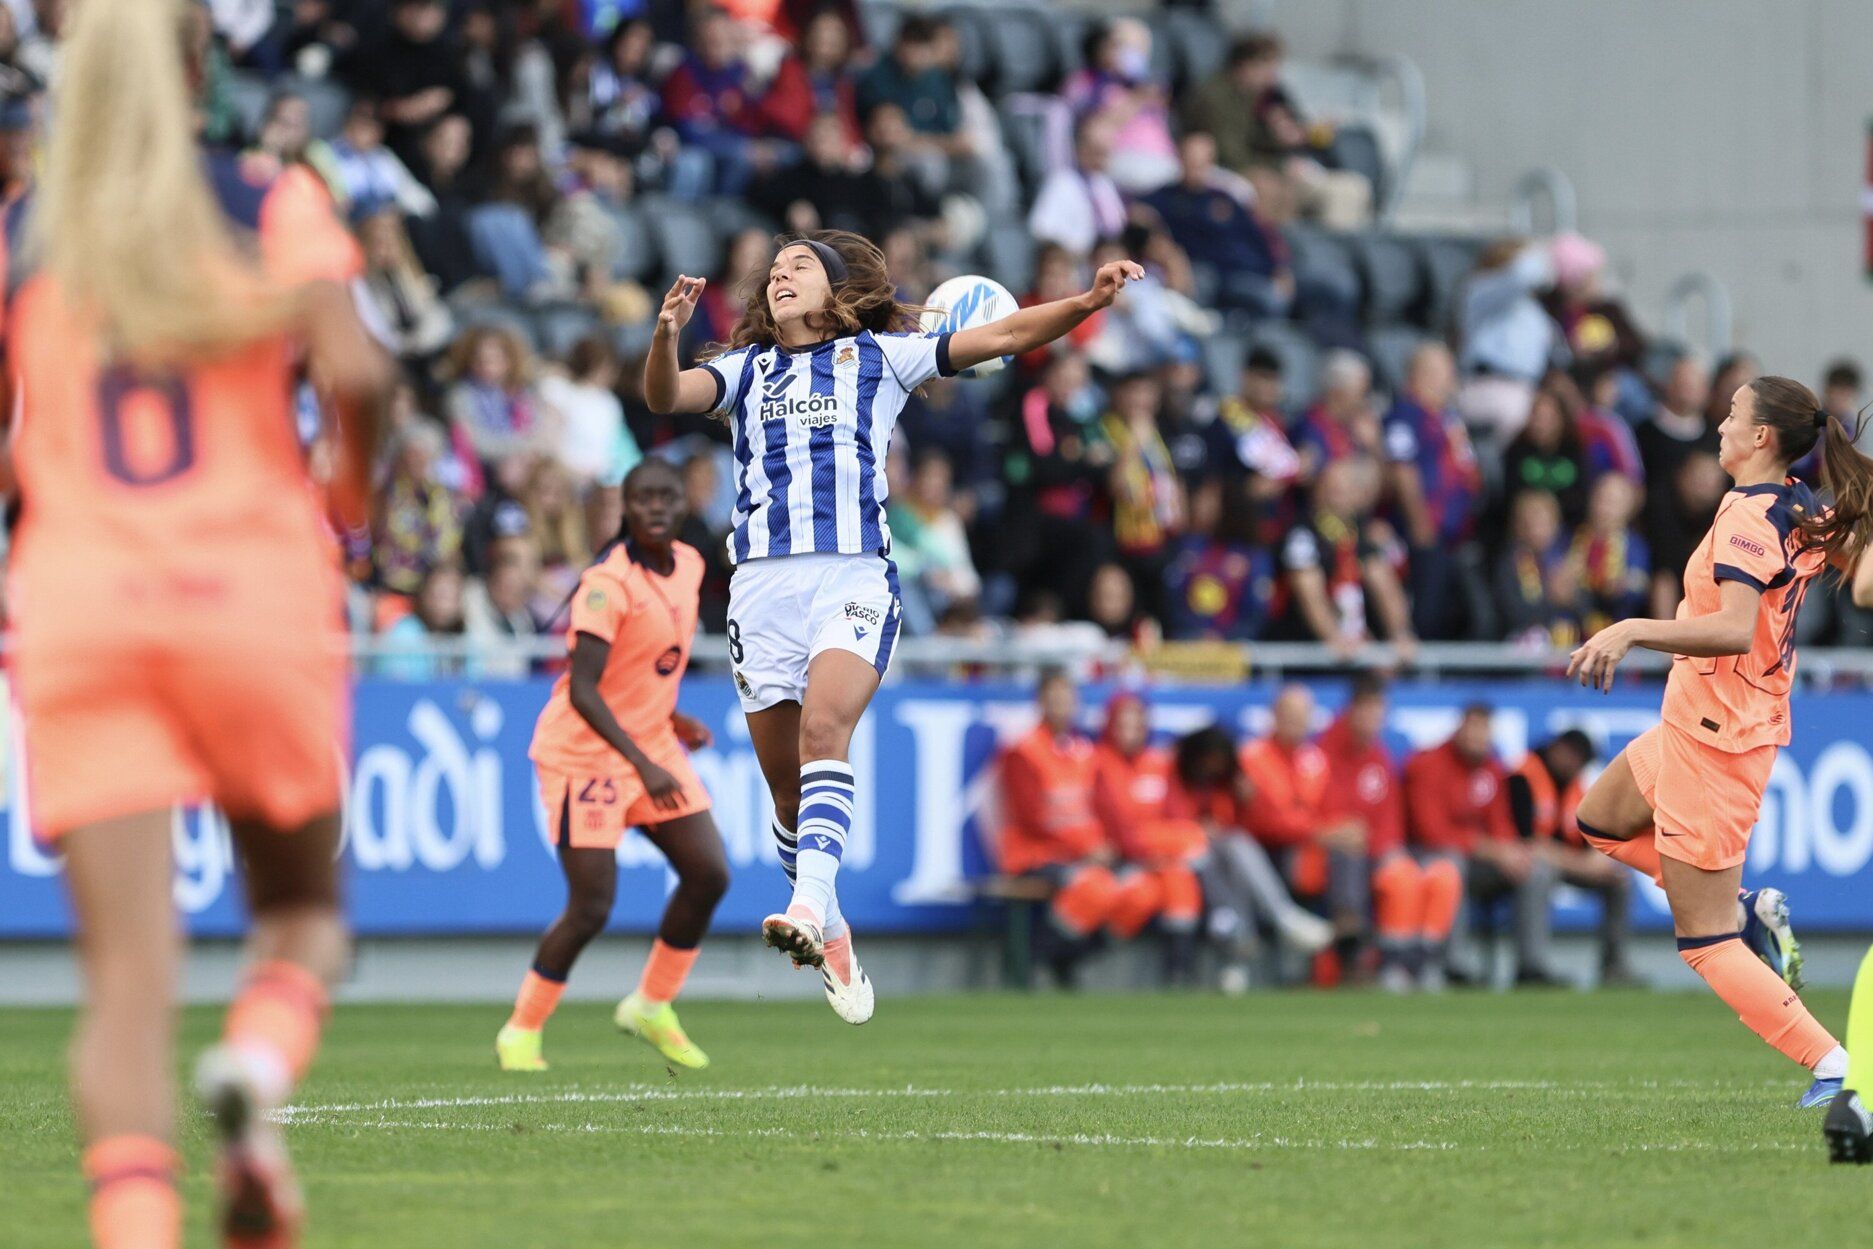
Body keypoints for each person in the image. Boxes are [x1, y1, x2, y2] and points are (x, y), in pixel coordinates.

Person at [3, 2, 393, 1245]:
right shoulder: (267, 198)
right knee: (303, 915)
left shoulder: (28, 232)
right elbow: (364, 376)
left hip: (78, 601)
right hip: (249, 594)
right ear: (197, 66)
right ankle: (257, 1075)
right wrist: (346, 510)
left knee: (124, 991)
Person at [643, 229, 1145, 1018]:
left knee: (824, 735)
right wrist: (667, 335)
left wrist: (1085, 301)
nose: (781, 277)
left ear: (835, 289)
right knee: (785, 798)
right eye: (774, 270)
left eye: (799, 266)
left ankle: (807, 908)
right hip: (760, 592)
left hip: (850, 572)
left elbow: (1008, 333)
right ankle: (830, 927)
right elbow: (665, 398)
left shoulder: (879, 357)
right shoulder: (744, 371)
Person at [1566, 373, 1873, 1109]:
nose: (1719, 426)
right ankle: (1746, 908)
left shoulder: (1747, 514)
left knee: (1701, 941)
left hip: (1718, 734)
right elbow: (1861, 584)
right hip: (1707, 717)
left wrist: (1631, 627)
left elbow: (1735, 626)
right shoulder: (1801, 505)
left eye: (1732, 415)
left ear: (1762, 437)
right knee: (1598, 819)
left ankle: (1834, 1063)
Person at [497, 460, 729, 1073]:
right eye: (643, 498)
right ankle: (521, 1030)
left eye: (667, 497)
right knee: (592, 906)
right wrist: (641, 760)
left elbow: (646, 667)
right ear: (625, 509)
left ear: (683, 506)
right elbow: (585, 690)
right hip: (586, 755)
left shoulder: (691, 565)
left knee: (708, 873)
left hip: (650, 743)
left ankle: (651, 1005)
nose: (656, 507)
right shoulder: (606, 583)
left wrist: (672, 722)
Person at [997, 671, 1164, 987]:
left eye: (1067, 697)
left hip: (1090, 855)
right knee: (1095, 887)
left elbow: (1105, 808)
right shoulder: (1023, 751)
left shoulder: (1086, 752)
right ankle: (1031, 960)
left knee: (1144, 892)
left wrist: (1124, 849)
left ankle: (1068, 957)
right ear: (1040, 702)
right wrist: (1085, 849)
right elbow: (1032, 818)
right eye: (1054, 696)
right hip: (1036, 856)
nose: (1061, 704)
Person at [1318, 674, 1461, 992]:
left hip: (1378, 850)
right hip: (1336, 851)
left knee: (1440, 872)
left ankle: (1419, 960)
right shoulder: (1324, 751)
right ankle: (1388, 962)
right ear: (1351, 710)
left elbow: (1389, 817)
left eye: (1378, 710)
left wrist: (1388, 849)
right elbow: (1323, 806)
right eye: (1367, 709)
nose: (1373, 718)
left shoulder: (1378, 755)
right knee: (1400, 876)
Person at [1404, 706, 1562, 988]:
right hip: (1424, 857)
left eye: (1484, 731)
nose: (1478, 738)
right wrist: (1492, 850)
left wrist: (1511, 854)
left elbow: (1501, 825)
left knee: (1535, 870)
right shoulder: (1427, 764)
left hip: (1479, 861)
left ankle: (1531, 966)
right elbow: (1432, 832)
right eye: (1473, 729)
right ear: (1459, 729)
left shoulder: (1491, 768)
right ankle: (1455, 966)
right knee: (1450, 866)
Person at [1238, 685, 1368, 983]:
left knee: (1350, 849)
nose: (1296, 721)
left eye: (1302, 715)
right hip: (1269, 852)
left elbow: (1332, 807)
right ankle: (1328, 948)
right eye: (1289, 714)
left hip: (1311, 848)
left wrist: (1344, 830)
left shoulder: (1315, 759)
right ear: (1274, 715)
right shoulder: (1253, 756)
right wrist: (1321, 833)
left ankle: (1348, 946)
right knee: (1318, 854)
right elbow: (1263, 820)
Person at [1092, 692, 1207, 984]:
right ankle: (1077, 955)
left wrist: (1163, 849)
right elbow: (1115, 826)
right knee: (1141, 893)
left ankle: (1179, 972)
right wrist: (1151, 849)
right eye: (1123, 724)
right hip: (1119, 859)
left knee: (1180, 881)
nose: (1130, 733)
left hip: (1159, 860)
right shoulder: (1099, 764)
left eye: (1137, 724)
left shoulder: (1159, 763)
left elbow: (1179, 815)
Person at [1508, 730, 1637, 985]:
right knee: (1538, 873)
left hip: (1561, 862)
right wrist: (1583, 865)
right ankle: (1532, 967)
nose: (1576, 765)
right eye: (1574, 757)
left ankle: (1613, 966)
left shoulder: (1573, 785)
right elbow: (1527, 843)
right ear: (1559, 749)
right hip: (1518, 862)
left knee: (1619, 878)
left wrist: (1598, 859)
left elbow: (1582, 836)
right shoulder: (1521, 777)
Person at [1382, 343, 1481, 639]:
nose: (1452, 379)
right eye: (1445, 372)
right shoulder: (1406, 414)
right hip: (1424, 536)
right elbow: (1403, 468)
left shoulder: (1447, 417)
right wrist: (1419, 523)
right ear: (1423, 375)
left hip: (1452, 537)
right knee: (1426, 612)